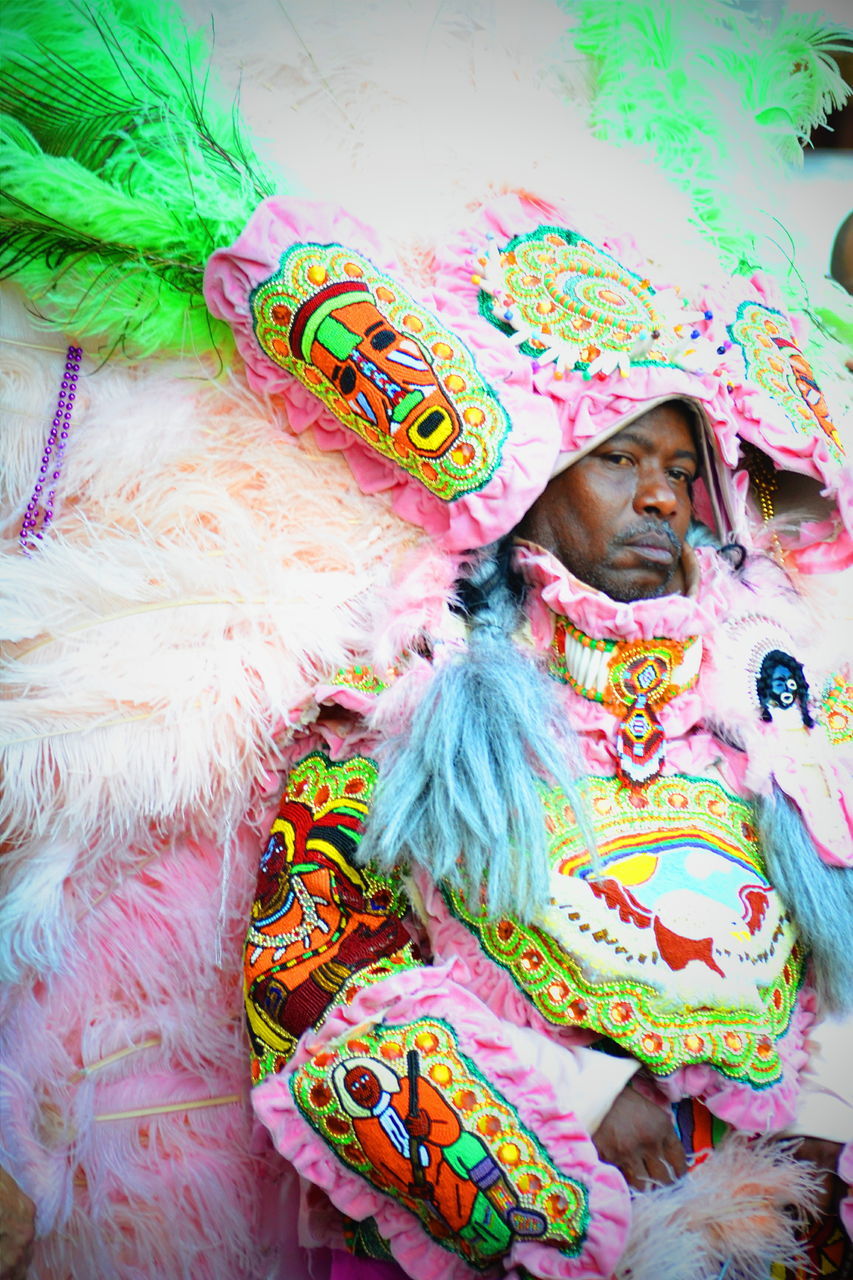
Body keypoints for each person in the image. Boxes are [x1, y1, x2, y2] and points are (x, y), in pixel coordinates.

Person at [207, 193, 853, 1280]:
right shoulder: (410, 690)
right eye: (617, 459)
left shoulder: (774, 692)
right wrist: (580, 1103)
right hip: (532, 1209)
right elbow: (304, 977)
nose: (658, 495)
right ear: (537, 480)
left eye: (680, 468)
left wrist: (822, 1112)